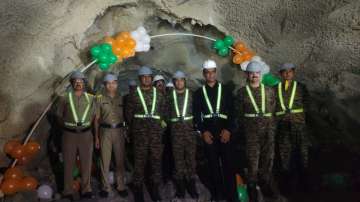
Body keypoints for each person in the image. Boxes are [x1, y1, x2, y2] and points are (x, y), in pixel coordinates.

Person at [193, 59, 238, 202]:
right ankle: (217, 195)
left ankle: (232, 196)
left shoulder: (226, 90)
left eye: (212, 72)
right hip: (209, 133)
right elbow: (196, 115)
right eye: (207, 73)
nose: (210, 75)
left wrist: (229, 130)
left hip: (224, 131)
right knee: (213, 166)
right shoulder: (199, 93)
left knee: (228, 165)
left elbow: (233, 112)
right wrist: (203, 131)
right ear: (204, 74)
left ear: (215, 73)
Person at [234, 61, 276, 201]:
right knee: (253, 160)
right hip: (251, 133)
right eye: (251, 73)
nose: (254, 76)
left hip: (268, 132)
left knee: (268, 158)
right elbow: (239, 114)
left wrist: (271, 127)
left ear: (261, 74)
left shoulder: (270, 91)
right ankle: (252, 185)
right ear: (247, 75)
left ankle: (265, 183)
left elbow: (273, 110)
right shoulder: (242, 93)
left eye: (257, 73)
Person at [125, 66, 168, 202]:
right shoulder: (133, 95)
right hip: (140, 135)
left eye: (149, 77)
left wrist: (160, 129)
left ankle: (155, 190)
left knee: (156, 162)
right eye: (143, 77)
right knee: (139, 162)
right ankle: (138, 190)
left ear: (151, 78)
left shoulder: (159, 95)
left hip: (155, 134)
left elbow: (164, 113)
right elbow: (128, 115)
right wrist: (135, 130)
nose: (146, 79)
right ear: (139, 79)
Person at [56, 70, 96, 200]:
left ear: (84, 83)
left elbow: (95, 116)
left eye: (81, 81)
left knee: (86, 162)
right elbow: (59, 116)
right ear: (72, 83)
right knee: (68, 163)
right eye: (76, 81)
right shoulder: (64, 98)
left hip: (86, 134)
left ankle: (86, 189)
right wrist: (68, 127)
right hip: (69, 135)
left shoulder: (91, 99)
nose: (78, 83)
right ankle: (67, 190)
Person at [275, 63, 310, 193]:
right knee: (285, 156)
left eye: (290, 71)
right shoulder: (275, 89)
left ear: (293, 73)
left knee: (302, 154)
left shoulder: (301, 88)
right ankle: (288, 187)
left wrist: (300, 118)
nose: (287, 74)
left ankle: (304, 185)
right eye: (284, 71)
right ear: (280, 74)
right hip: (283, 126)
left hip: (298, 126)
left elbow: (307, 104)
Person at [94, 73, 128, 198]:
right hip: (105, 132)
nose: (111, 85)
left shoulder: (122, 98)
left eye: (113, 83)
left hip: (119, 131)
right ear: (104, 85)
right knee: (105, 160)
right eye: (108, 83)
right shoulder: (99, 98)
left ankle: (121, 186)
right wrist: (96, 137)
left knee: (120, 160)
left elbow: (126, 116)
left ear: (117, 84)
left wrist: (126, 132)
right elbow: (96, 119)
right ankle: (105, 187)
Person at [169, 70, 198, 199]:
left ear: (184, 81)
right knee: (178, 161)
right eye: (177, 80)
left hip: (190, 133)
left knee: (191, 161)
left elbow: (198, 112)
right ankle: (180, 189)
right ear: (174, 82)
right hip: (176, 134)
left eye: (181, 80)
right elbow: (165, 114)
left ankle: (191, 186)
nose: (179, 82)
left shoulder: (192, 95)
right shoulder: (169, 96)